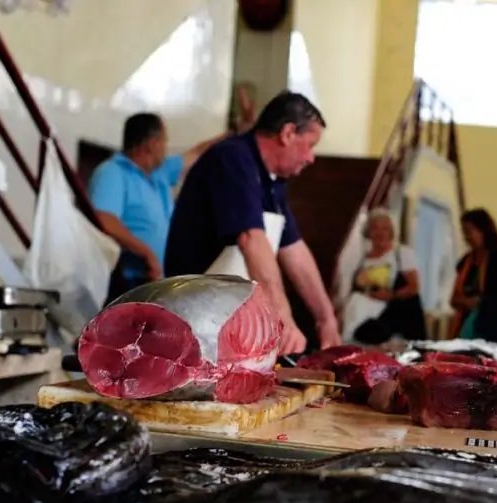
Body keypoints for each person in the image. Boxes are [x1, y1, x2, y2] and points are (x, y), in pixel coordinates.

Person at [165, 91, 340, 354]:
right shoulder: (234, 158)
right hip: (193, 316)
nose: (310, 158)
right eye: (311, 145)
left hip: (224, 318)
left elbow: (295, 251)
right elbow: (250, 238)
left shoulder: (273, 181)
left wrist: (326, 319)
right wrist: (283, 318)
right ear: (288, 133)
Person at [89, 113, 221, 301]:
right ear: (152, 143)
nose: (165, 148)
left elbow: (198, 153)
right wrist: (146, 253)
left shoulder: (159, 174)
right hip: (129, 281)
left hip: (157, 283)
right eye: (164, 141)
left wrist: (235, 134)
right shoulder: (113, 172)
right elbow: (104, 219)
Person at [343, 209, 426, 344]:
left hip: (391, 317)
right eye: (375, 228)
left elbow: (413, 287)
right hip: (360, 314)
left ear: (391, 232)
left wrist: (391, 295)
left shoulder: (402, 254)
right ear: (368, 232)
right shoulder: (361, 258)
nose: (380, 233)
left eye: (385, 228)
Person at [448, 208, 497, 342]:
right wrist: (469, 303)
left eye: (469, 231)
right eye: (464, 232)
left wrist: (489, 306)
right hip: (466, 329)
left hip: (495, 330)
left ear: (483, 230)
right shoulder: (466, 261)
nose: (466, 237)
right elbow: (454, 299)